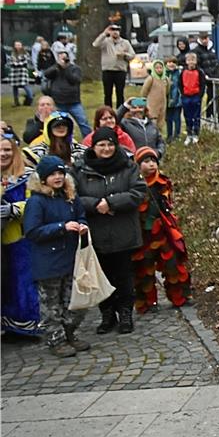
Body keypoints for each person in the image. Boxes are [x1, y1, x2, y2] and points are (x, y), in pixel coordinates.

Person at [74, 127, 146, 335]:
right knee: (101, 276)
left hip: (123, 232)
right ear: (93, 146)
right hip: (96, 233)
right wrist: (96, 204)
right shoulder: (81, 169)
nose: (106, 149)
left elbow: (138, 192)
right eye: (101, 145)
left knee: (123, 275)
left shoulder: (128, 167)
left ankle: (125, 313)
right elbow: (74, 196)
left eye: (110, 144)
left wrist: (111, 202)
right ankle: (107, 314)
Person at [22, 155, 90, 357]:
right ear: (43, 178)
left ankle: (69, 333)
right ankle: (55, 339)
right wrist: (61, 227)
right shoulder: (36, 201)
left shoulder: (69, 197)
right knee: (51, 304)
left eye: (61, 173)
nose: (58, 177)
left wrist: (82, 225)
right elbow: (33, 231)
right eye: (53, 174)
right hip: (48, 262)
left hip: (69, 258)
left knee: (72, 302)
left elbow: (80, 215)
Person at [131, 146, 191, 313]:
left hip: (164, 232)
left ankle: (180, 296)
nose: (151, 164)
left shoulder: (163, 182)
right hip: (144, 234)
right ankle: (148, 302)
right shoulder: (135, 185)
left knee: (173, 264)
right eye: (146, 161)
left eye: (153, 161)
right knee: (144, 268)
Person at [2, 132, 39, 338]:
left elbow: (34, 202)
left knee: (22, 282)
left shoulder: (26, 175)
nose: (3, 154)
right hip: (2, 239)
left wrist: (13, 210)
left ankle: (26, 324)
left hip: (21, 238)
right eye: (0, 150)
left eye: (7, 150)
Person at [41, 50, 91, 136]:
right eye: (60, 58)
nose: (62, 60)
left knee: (83, 122)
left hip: (74, 102)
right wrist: (57, 66)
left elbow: (74, 80)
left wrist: (66, 68)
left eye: (64, 58)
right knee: (57, 123)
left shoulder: (75, 68)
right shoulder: (55, 68)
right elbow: (47, 74)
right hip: (58, 102)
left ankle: (88, 140)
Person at [92, 24, 135, 109]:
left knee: (120, 93)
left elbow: (132, 55)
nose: (115, 32)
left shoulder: (125, 42)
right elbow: (95, 44)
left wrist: (124, 55)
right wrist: (104, 33)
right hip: (108, 70)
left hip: (120, 71)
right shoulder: (106, 42)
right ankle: (108, 110)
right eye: (113, 30)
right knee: (107, 93)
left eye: (117, 30)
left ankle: (120, 111)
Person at [189, 32, 219, 119]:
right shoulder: (196, 50)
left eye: (206, 38)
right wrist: (204, 74)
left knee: (213, 96)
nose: (205, 40)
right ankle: (198, 115)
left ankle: (212, 114)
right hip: (203, 77)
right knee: (200, 96)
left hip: (213, 77)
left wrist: (216, 73)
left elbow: (216, 62)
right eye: (203, 39)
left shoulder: (212, 49)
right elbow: (198, 65)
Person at [179, 52, 204, 145]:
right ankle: (189, 133)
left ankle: (196, 133)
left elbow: (202, 84)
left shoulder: (199, 72)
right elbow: (180, 84)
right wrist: (182, 94)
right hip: (186, 96)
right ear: (186, 61)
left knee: (196, 116)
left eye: (193, 60)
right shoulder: (183, 72)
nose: (191, 62)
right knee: (187, 116)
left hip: (195, 96)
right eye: (189, 60)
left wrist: (199, 95)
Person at [139, 60, 169, 131]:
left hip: (162, 105)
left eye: (160, 68)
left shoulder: (166, 79)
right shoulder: (150, 79)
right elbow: (144, 92)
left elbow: (167, 90)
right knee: (152, 123)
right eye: (157, 68)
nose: (159, 70)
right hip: (152, 105)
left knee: (160, 123)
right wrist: (144, 102)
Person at [5, 41, 34, 107]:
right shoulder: (12, 53)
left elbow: (25, 61)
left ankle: (30, 99)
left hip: (22, 71)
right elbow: (10, 62)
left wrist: (16, 63)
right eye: (16, 45)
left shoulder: (25, 53)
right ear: (14, 46)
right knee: (15, 87)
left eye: (19, 45)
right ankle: (16, 102)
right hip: (14, 72)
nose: (17, 46)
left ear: (21, 46)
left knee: (25, 86)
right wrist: (17, 63)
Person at [165, 57, 182, 141]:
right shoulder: (164, 74)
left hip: (177, 100)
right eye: (169, 62)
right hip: (167, 100)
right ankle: (169, 135)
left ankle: (177, 135)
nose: (171, 64)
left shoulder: (179, 73)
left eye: (173, 62)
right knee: (168, 119)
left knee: (177, 118)